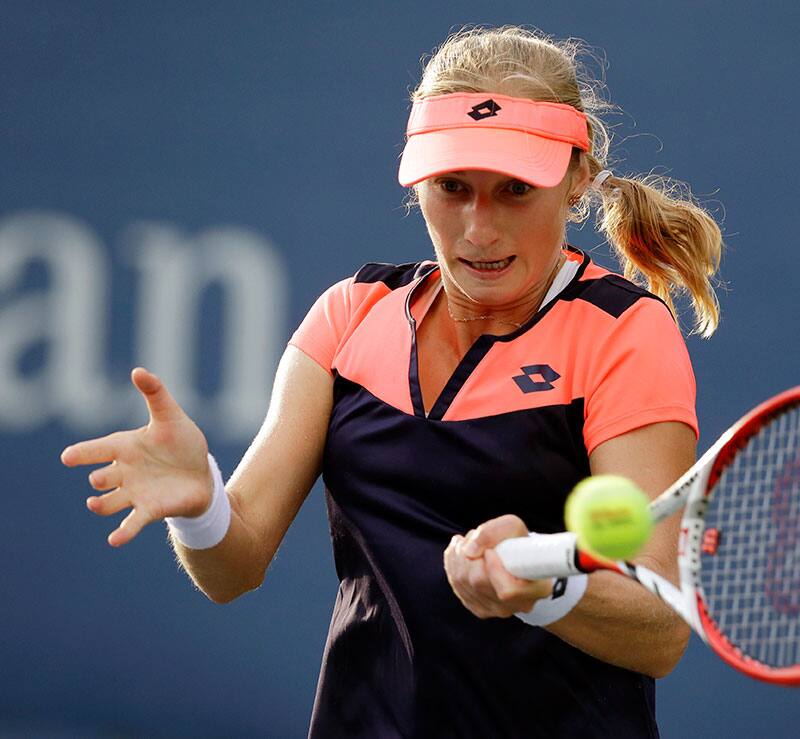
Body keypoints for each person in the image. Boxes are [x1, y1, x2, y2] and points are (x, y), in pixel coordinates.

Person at [61, 26, 722, 738]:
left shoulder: (623, 330)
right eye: (453, 188)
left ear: (577, 179)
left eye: (514, 191)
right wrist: (201, 507)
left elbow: (659, 633)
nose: (478, 228)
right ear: (419, 182)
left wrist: (543, 591)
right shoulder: (351, 315)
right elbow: (233, 566)